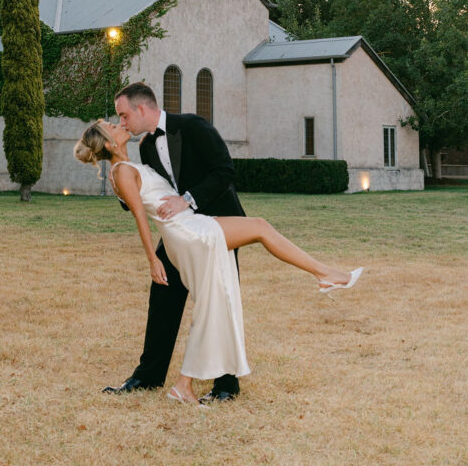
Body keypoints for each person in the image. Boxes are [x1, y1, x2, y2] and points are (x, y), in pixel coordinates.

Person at [74, 106, 363, 406]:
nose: (120, 124)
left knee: (215, 302)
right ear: (110, 143)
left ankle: (186, 385)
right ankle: (324, 274)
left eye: (121, 117)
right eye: (113, 124)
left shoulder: (133, 161)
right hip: (188, 233)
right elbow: (139, 216)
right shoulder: (122, 171)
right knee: (258, 232)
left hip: (189, 226)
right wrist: (152, 259)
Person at [109, 81, 249, 403]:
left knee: (220, 298)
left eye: (124, 116)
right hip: (181, 234)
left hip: (219, 228)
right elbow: (135, 195)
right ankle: (148, 376)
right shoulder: (144, 147)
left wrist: (187, 199)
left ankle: (226, 383)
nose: (122, 123)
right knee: (162, 297)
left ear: (141, 109)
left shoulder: (194, 126)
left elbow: (225, 172)